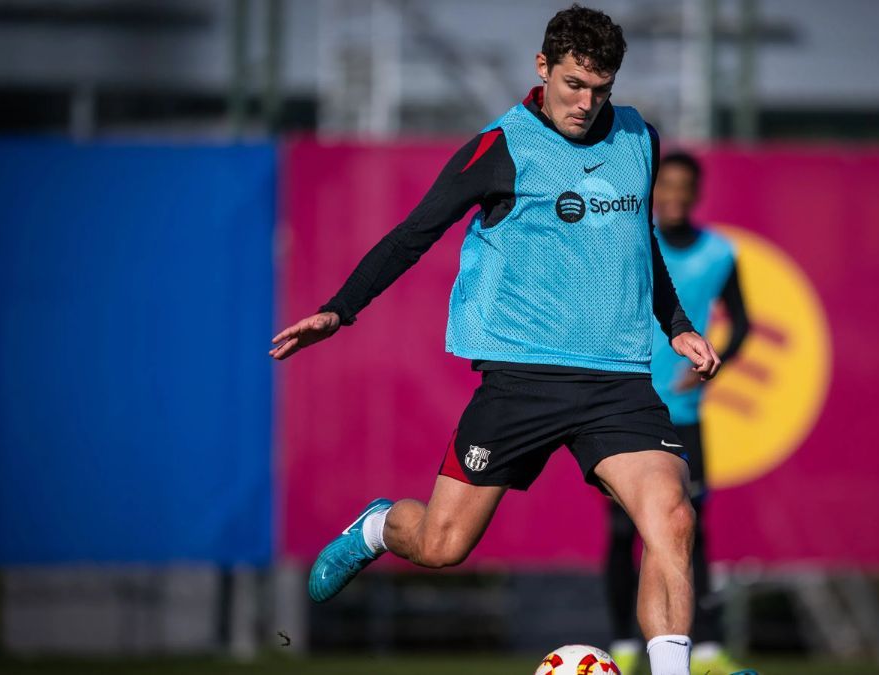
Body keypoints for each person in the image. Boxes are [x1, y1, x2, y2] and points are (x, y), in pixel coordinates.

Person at [269, 6, 721, 674]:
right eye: (573, 84)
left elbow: (637, 247)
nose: (586, 103)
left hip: (618, 382)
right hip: (521, 381)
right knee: (442, 544)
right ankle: (377, 525)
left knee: (672, 519)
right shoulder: (501, 146)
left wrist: (677, 325)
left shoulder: (638, 139)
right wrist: (340, 310)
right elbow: (413, 233)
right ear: (542, 68)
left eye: (601, 89)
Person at [605, 151, 751, 675]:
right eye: (663, 184)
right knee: (624, 533)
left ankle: (706, 652)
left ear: (695, 192)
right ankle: (624, 643)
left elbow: (745, 325)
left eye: (683, 186)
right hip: (625, 409)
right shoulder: (628, 240)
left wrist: (715, 361)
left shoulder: (718, 253)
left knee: (690, 529)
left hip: (684, 415)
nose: (672, 195)